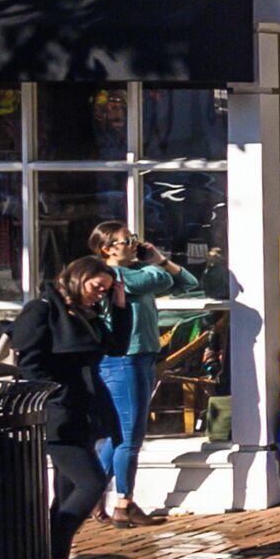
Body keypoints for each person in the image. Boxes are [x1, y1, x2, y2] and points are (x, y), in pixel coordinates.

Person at [5, 255, 127, 559]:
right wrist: (55, 394)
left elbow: (117, 346)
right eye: (97, 287)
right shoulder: (42, 309)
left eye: (105, 290)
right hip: (56, 413)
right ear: (79, 277)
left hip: (82, 411)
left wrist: (119, 304)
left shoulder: (85, 314)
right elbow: (28, 362)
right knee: (91, 483)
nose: (99, 294)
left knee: (67, 489)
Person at [87, 221, 199, 524]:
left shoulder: (137, 271)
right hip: (125, 358)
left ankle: (92, 495)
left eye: (134, 238)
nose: (134, 243)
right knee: (130, 436)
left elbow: (188, 283)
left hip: (142, 357)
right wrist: (157, 265)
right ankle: (124, 504)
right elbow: (161, 280)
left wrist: (161, 259)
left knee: (120, 434)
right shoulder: (114, 275)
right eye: (126, 241)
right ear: (107, 249)